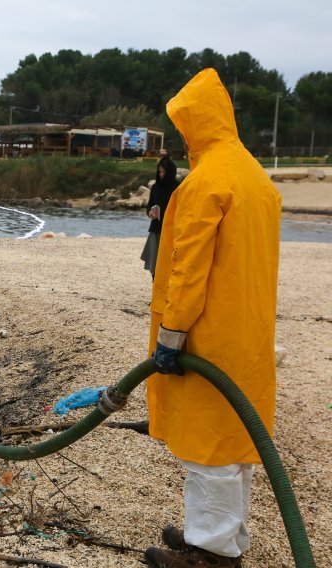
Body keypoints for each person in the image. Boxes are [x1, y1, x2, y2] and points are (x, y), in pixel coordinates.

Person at [145, 68, 281, 568]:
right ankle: (222, 535)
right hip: (247, 332)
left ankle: (212, 553)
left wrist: (171, 336)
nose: (181, 136)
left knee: (209, 451)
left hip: (209, 338)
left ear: (196, 123)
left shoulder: (207, 182)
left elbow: (188, 269)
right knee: (233, 440)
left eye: (183, 124)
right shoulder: (252, 176)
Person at [140, 153, 179, 278]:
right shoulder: (155, 187)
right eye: (160, 171)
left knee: (170, 263)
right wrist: (150, 212)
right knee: (155, 263)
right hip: (156, 229)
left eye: (164, 172)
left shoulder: (178, 188)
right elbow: (150, 205)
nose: (162, 174)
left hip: (172, 230)